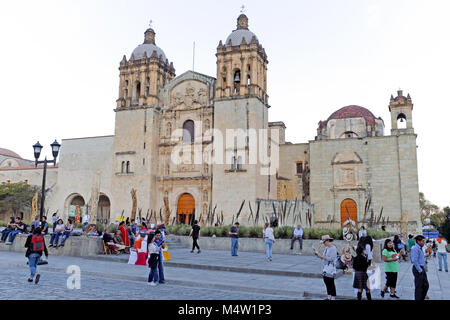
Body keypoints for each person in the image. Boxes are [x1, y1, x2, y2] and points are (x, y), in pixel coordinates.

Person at [314, 235, 337, 300]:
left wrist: (321, 256)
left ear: (327, 241)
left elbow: (331, 259)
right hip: (325, 267)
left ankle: (333, 297)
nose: (323, 244)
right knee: (326, 282)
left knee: (331, 283)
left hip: (330, 268)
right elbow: (324, 257)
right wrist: (318, 255)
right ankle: (329, 296)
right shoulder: (327, 248)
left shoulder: (333, 248)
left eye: (323, 242)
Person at [411, 235, 429, 300]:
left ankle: (421, 298)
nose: (424, 243)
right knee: (419, 287)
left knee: (425, 285)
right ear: (418, 241)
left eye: (424, 241)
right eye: (422, 241)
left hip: (421, 267)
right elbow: (414, 261)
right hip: (418, 269)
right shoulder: (415, 248)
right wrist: (420, 270)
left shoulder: (420, 248)